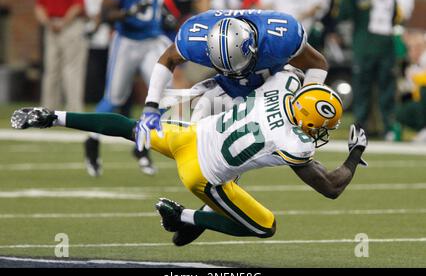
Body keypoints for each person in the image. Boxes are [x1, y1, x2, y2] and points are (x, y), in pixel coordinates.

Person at [11, 70, 368, 245]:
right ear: (307, 120)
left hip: (190, 134)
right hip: (201, 174)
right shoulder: (295, 143)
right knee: (264, 226)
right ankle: (179, 214)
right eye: (323, 127)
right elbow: (332, 187)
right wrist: (355, 152)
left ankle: (52, 116)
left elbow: (296, 70)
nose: (321, 135)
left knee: (129, 127)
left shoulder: (284, 85)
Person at [136, 9, 331, 151]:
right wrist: (151, 106)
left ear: (253, 48)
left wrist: (307, 104)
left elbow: (318, 64)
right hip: (229, 89)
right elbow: (168, 58)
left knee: (281, 144)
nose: (238, 72)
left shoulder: (279, 37)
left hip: (274, 85)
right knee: (193, 134)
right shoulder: (196, 37)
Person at [84, 0, 172, 177]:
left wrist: (165, 15)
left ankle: (141, 145)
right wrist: (128, 13)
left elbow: (156, 3)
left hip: (152, 40)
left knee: (166, 97)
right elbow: (106, 14)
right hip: (127, 42)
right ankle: (92, 143)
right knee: (114, 98)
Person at [338, 0, 414, 140]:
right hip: (365, 45)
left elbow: (396, 13)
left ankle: (388, 126)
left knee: (386, 86)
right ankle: (360, 127)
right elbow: (344, 12)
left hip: (384, 44)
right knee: (362, 86)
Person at [35, 0, 89, 112]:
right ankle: (74, 109)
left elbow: (39, 7)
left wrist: (48, 23)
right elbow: (78, 5)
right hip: (71, 26)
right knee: (72, 68)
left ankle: (47, 109)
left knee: (51, 70)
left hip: (51, 26)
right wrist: (64, 22)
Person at [84, 0, 111, 103]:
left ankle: (111, 101)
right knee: (96, 68)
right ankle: (97, 98)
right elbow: (89, 0)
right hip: (96, 30)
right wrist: (94, 16)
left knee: (111, 69)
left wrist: (101, 17)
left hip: (110, 28)